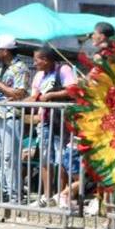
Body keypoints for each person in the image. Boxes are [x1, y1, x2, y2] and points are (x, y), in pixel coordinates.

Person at [28, 46, 78, 208]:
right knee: (44, 158)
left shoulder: (63, 69)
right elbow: (35, 96)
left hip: (61, 122)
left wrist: (51, 95)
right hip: (44, 121)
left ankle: (61, 195)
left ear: (46, 60)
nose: (35, 63)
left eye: (37, 60)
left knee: (62, 159)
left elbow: (73, 90)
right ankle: (47, 196)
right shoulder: (39, 76)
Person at [0, 35, 29, 203]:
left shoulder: (21, 68)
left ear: (5, 51)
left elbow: (19, 93)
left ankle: (14, 194)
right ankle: (4, 191)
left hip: (12, 116)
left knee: (9, 156)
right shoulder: (0, 69)